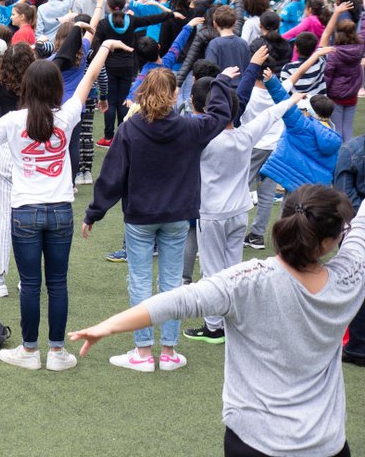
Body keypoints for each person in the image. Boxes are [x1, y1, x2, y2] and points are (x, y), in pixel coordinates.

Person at [71, 184, 364, 457]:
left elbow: (177, 300)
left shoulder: (247, 280)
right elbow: (360, 232)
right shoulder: (350, 278)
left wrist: (107, 327)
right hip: (327, 445)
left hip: (254, 442)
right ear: (329, 242)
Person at [0, 37, 123, 370]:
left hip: (26, 213)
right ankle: (58, 353)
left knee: (30, 285)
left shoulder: (12, 122)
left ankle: (30, 352)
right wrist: (103, 48)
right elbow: (88, 79)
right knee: (57, 283)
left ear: (27, 88)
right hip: (61, 211)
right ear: (56, 87)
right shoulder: (67, 114)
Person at [83, 68, 236, 372]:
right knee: (172, 283)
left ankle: (142, 351)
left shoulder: (130, 129)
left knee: (140, 280)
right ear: (175, 94)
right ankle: (168, 351)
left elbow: (112, 176)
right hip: (177, 215)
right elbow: (220, 115)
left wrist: (94, 212)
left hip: (141, 216)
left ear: (142, 93)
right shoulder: (190, 127)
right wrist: (219, 82)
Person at [183, 76, 300, 344]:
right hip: (239, 212)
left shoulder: (203, 139)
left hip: (212, 215)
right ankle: (233, 319)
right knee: (233, 268)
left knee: (212, 271)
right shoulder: (246, 134)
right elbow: (271, 114)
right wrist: (292, 98)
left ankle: (214, 327)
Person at [92, 0, 179, 146]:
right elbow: (150, 19)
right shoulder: (130, 20)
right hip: (127, 65)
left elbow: (96, 43)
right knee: (125, 101)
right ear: (125, 5)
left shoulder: (104, 23)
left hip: (109, 66)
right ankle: (123, 134)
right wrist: (170, 15)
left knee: (110, 101)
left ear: (109, 7)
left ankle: (108, 137)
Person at [317, 1, 364, 141]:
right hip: (352, 93)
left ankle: (339, 157)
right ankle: (349, 157)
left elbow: (328, 75)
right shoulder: (360, 48)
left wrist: (326, 91)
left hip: (336, 95)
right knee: (348, 129)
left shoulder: (334, 53)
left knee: (336, 128)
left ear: (339, 34)